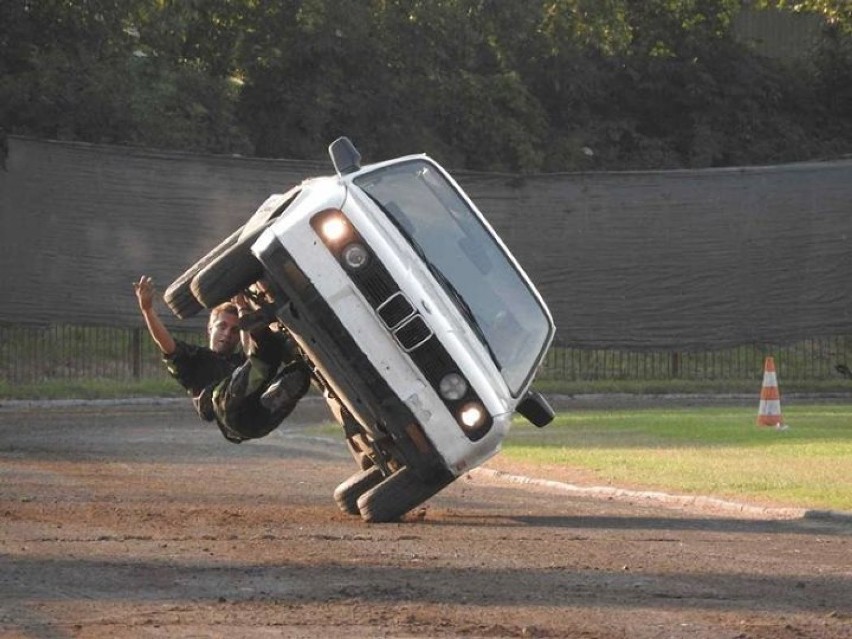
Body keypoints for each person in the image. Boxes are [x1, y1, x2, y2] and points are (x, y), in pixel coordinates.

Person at [133, 275, 310, 444]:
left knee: (299, 372)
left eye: (234, 330)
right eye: (222, 327)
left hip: (256, 421)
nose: (227, 334)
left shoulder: (242, 358)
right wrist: (147, 310)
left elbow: (251, 350)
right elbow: (166, 343)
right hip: (228, 412)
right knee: (262, 359)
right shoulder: (194, 359)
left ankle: (303, 359)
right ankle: (255, 324)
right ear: (210, 328)